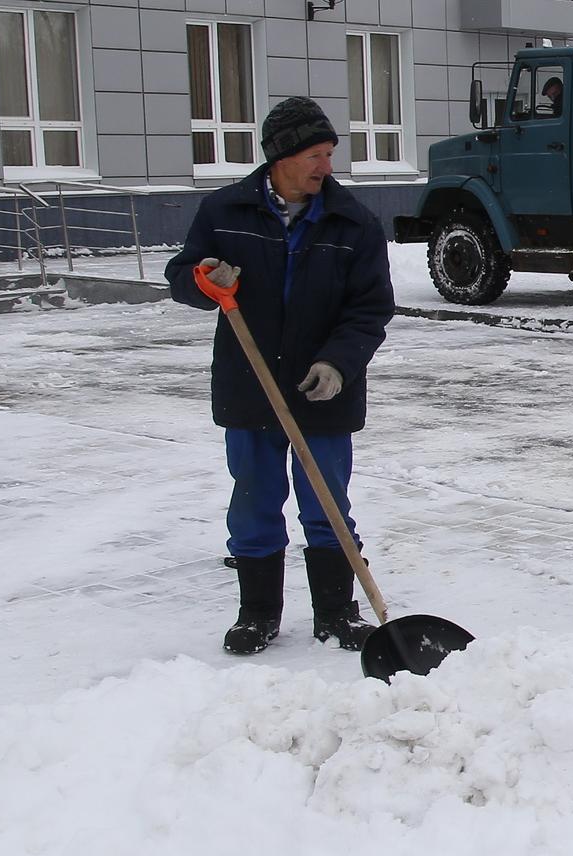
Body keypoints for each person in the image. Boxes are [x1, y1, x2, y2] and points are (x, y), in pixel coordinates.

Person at [165, 96, 395, 656]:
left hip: (324, 391)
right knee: (254, 500)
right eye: (316, 155)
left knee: (327, 502)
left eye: (330, 154)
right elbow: (182, 275)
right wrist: (203, 279)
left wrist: (337, 363)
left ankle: (336, 612)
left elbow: (370, 309)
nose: (327, 166)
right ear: (281, 157)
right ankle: (258, 614)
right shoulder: (225, 212)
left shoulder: (354, 223)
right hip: (250, 386)